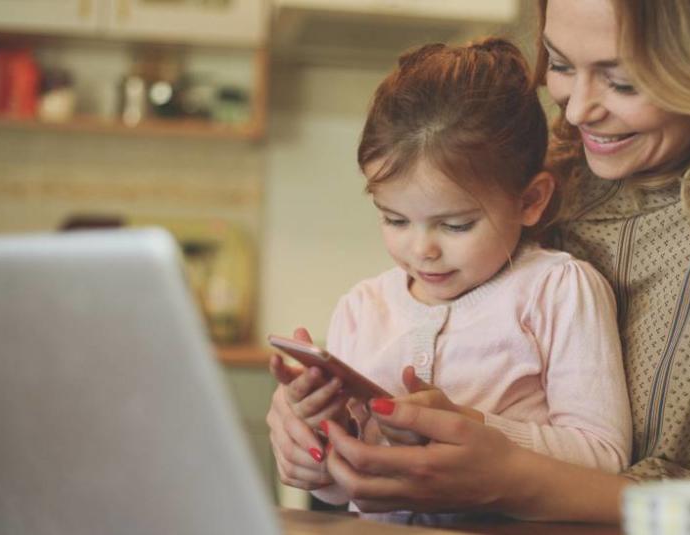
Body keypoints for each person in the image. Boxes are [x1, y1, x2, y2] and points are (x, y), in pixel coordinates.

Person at [266, 1, 690, 534]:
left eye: (622, 80)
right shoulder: (556, 169)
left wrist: (514, 477)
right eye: (558, 63)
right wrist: (307, 431)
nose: (577, 111)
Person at [266, 38, 633, 515]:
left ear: (530, 201)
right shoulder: (361, 308)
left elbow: (603, 459)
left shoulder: (558, 290)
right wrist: (319, 450)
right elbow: (342, 492)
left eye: (456, 225)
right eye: (394, 220)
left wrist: (471, 427)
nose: (422, 250)